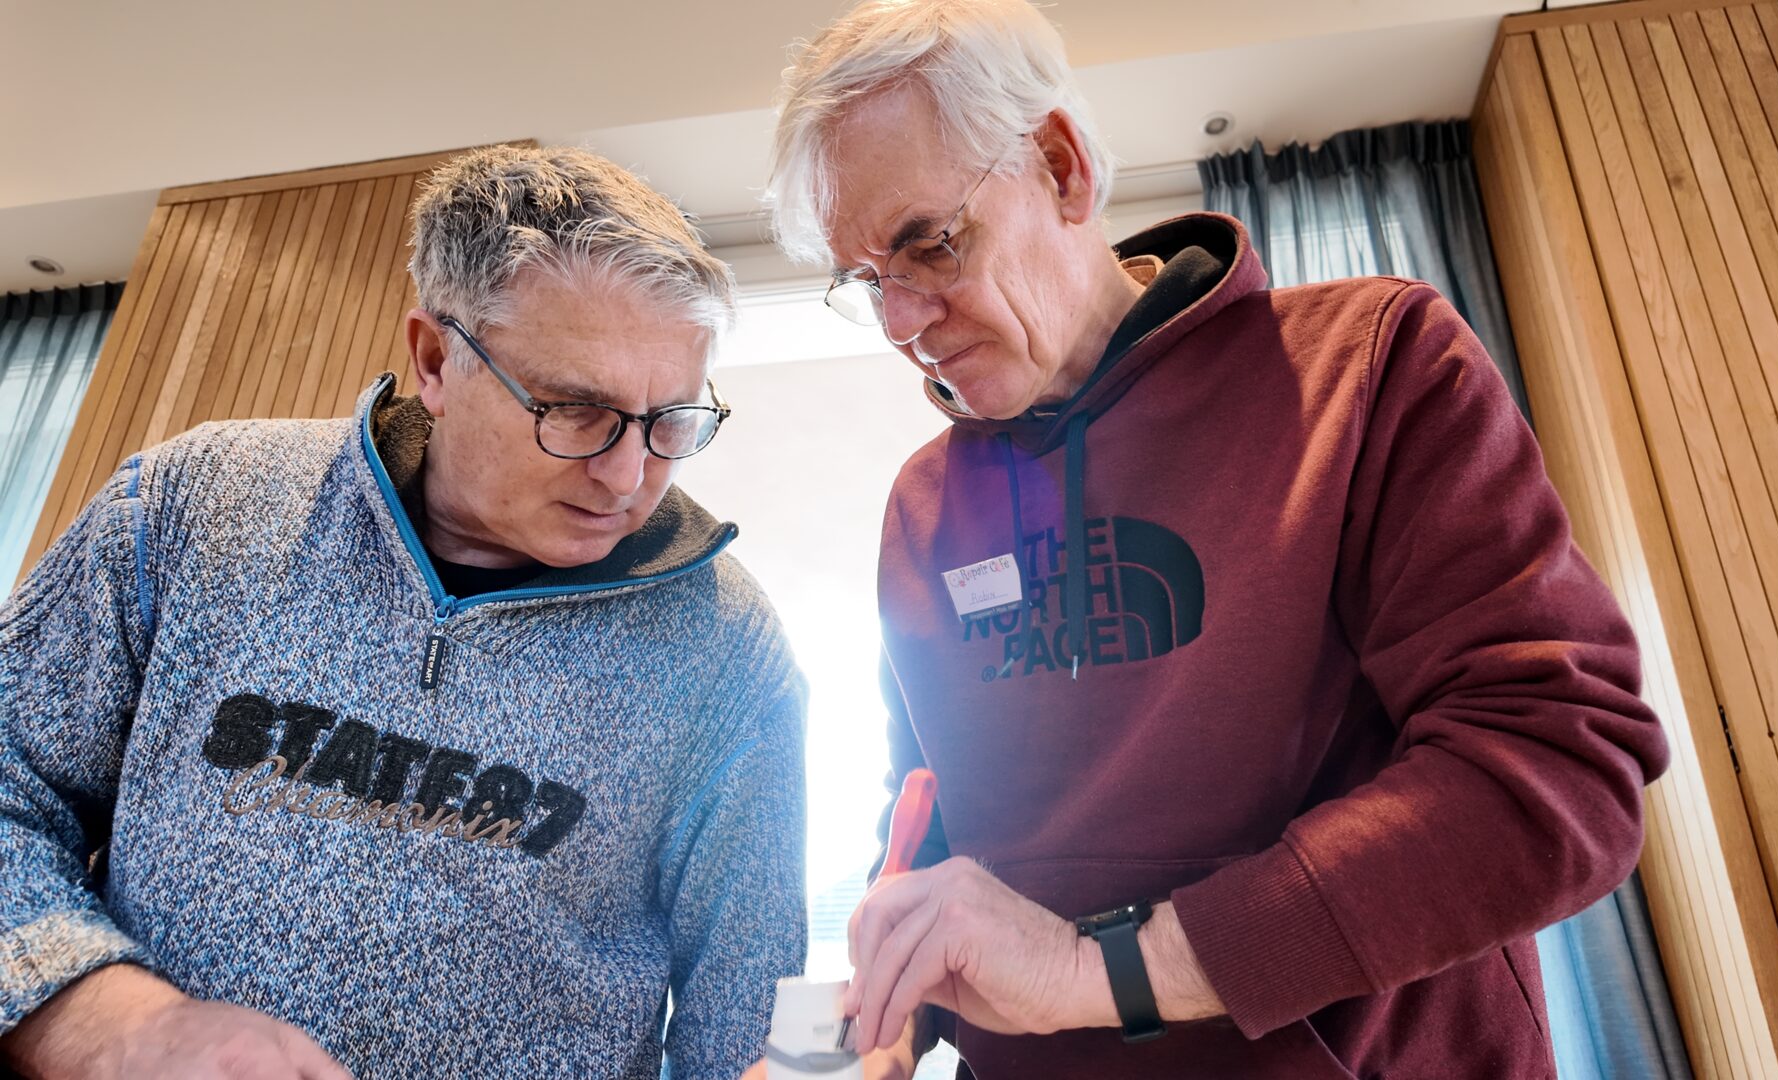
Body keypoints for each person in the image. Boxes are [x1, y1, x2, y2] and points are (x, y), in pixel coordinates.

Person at [753, 2, 1671, 1076]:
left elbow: (1554, 766)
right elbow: (934, 816)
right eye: (868, 281)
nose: (903, 321)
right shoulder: (924, 505)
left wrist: (1099, 973)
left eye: (930, 245)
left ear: (1059, 169)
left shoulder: (1372, 368)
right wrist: (888, 1016)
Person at [0, 145, 806, 1080]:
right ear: (434, 358)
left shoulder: (729, 650)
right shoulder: (193, 508)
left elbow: (759, 1014)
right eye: (576, 412)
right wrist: (109, 1025)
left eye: (671, 420)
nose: (629, 477)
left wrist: (807, 1063)